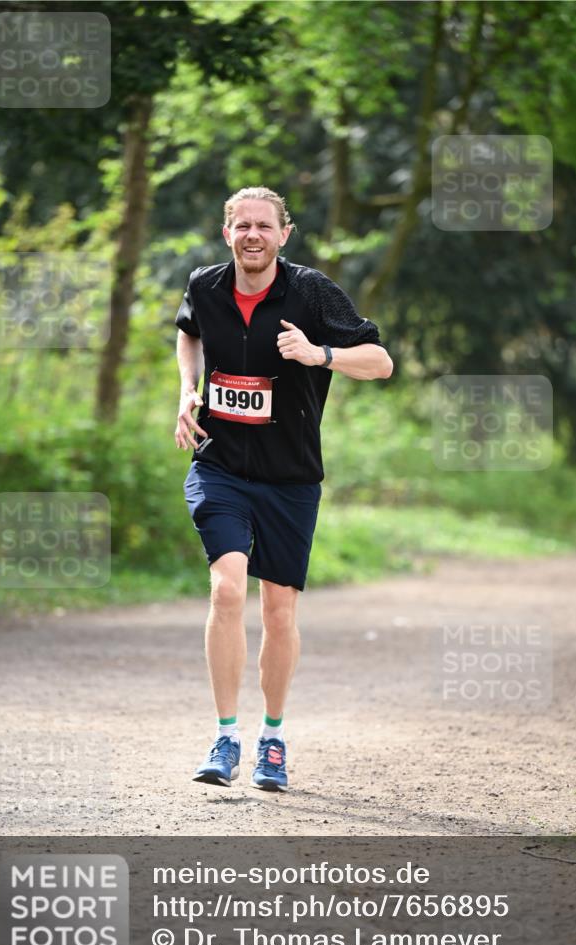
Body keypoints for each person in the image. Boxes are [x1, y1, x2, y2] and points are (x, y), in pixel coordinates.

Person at [174, 186, 393, 791]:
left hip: (291, 478)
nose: (252, 235)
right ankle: (225, 736)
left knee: (278, 609)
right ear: (227, 234)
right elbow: (188, 333)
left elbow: (380, 362)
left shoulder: (312, 292)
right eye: (241, 225)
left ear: (283, 235)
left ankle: (272, 738)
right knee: (226, 590)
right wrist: (186, 392)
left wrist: (320, 353)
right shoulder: (205, 286)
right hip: (218, 466)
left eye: (264, 226)